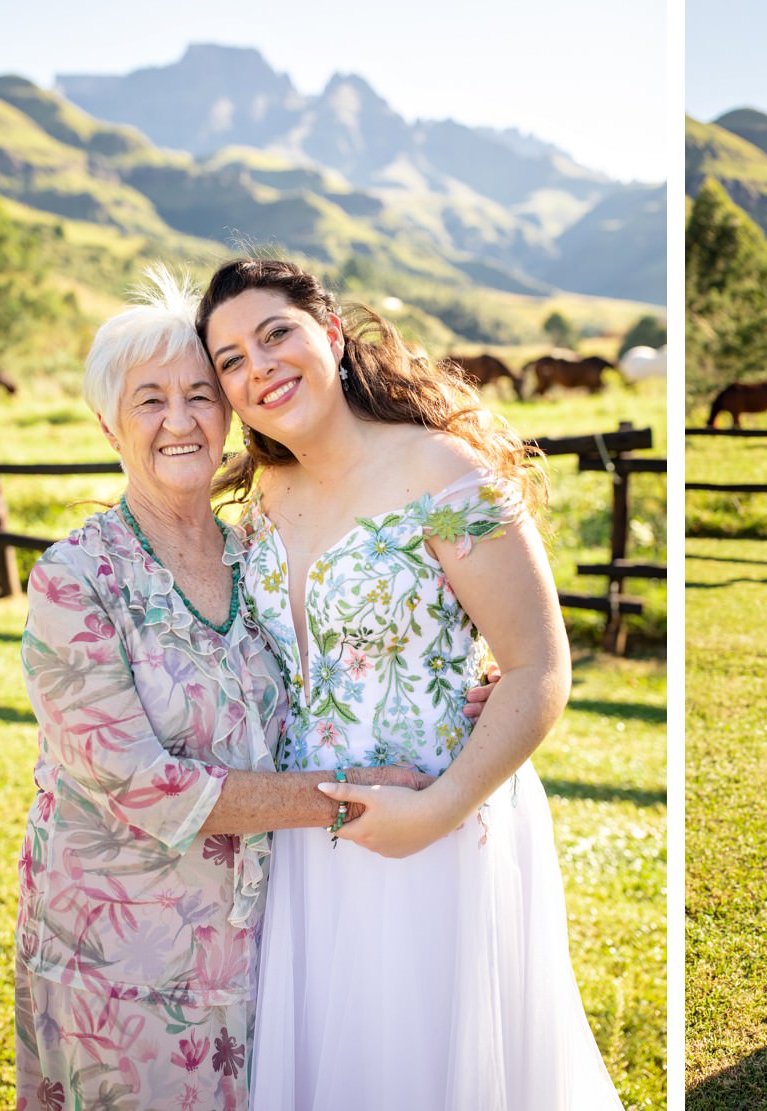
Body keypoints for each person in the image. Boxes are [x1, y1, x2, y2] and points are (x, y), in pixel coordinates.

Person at [14, 271, 452, 1111]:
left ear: (230, 412)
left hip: (265, 942)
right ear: (108, 421)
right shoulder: (75, 579)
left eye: (199, 395)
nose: (180, 421)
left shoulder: (260, 548)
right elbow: (146, 787)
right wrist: (343, 800)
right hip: (124, 954)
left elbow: (344, 650)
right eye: (149, 400)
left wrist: (471, 678)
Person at [196, 257, 623, 1110]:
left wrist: (435, 810)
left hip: (439, 813)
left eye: (276, 333)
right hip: (305, 833)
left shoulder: (441, 472)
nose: (259, 367)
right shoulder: (258, 499)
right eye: (232, 358)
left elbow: (540, 665)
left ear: (332, 334)